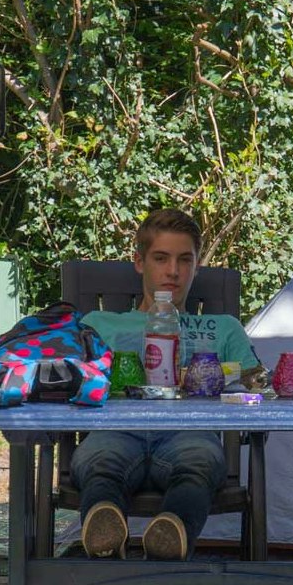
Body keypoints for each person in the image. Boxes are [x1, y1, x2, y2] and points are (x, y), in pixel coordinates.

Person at [73, 208, 260, 560]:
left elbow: (257, 385)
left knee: (200, 461)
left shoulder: (223, 327)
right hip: (115, 429)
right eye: (161, 259)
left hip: (191, 431)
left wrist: (220, 376)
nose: (173, 272)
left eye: (184, 260)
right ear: (139, 262)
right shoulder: (98, 323)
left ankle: (170, 533)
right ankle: (105, 526)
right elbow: (71, 381)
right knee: (100, 461)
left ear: (196, 265)